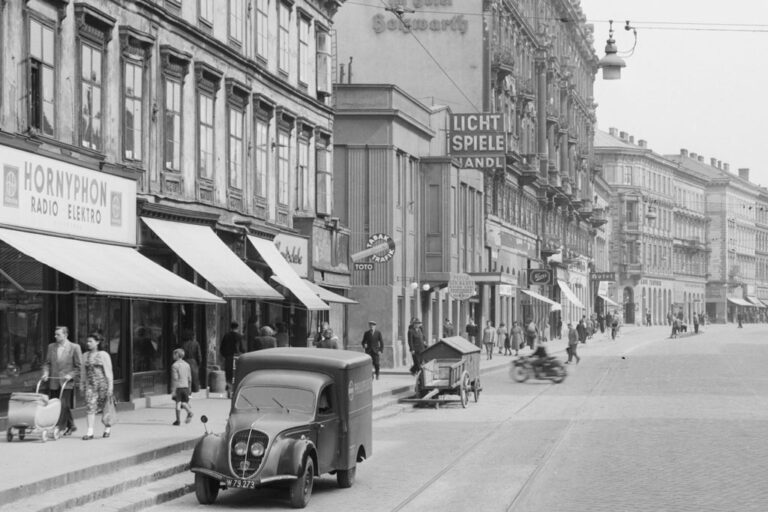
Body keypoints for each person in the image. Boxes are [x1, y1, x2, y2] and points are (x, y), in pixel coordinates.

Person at [42, 326, 82, 436]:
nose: (55, 336)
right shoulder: (51, 347)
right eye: (55, 334)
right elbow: (47, 363)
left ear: (65, 335)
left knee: (63, 404)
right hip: (54, 381)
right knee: (56, 404)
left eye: (58, 334)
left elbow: (79, 367)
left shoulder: (74, 347)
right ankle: (71, 425)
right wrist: (46, 373)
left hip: (66, 382)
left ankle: (60, 427)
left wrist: (71, 375)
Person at [81, 333, 114, 440]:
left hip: (102, 384)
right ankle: (90, 431)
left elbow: (109, 372)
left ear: (97, 342)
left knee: (106, 407)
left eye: (91, 341)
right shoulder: (85, 355)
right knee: (90, 407)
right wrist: (82, 383)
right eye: (87, 341)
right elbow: (83, 372)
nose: (88, 343)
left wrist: (110, 387)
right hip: (90, 385)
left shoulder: (103, 355)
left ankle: (107, 428)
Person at [220, 322, 244, 398]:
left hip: (228, 357)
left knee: (229, 374)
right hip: (237, 357)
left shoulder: (226, 336)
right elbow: (242, 348)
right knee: (236, 373)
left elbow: (222, 348)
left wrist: (225, 355)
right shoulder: (239, 336)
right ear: (237, 328)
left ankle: (229, 391)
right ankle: (235, 391)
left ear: (230, 327)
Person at [170, 348, 193, 426]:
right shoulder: (187, 365)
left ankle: (178, 420)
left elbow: (175, 378)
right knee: (184, 402)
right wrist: (190, 388)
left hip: (178, 387)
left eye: (174, 354)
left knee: (178, 403)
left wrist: (173, 390)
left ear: (177, 355)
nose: (173, 356)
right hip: (186, 386)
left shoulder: (174, 365)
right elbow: (190, 378)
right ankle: (189, 412)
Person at [180, 329, 202, 394]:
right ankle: (192, 389)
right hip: (193, 362)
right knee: (193, 377)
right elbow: (199, 355)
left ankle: (186, 390)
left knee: (185, 377)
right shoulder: (196, 344)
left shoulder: (182, 344)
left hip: (184, 361)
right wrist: (199, 363)